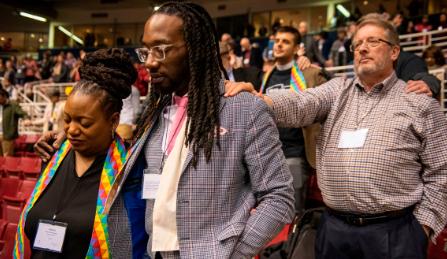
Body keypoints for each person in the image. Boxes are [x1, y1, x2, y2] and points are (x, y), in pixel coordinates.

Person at [35, 2, 295, 259]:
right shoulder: (155, 113)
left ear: (194, 50)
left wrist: (232, 252)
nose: (149, 63)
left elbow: (279, 197)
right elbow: (120, 157)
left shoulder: (243, 108)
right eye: (145, 51)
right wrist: (65, 139)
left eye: (160, 50)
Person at [226, 14, 447, 259]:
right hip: (334, 231)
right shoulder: (337, 90)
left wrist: (422, 229)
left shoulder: (419, 104)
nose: (363, 49)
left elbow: (441, 172)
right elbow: (303, 102)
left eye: (373, 41)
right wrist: (264, 101)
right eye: (357, 44)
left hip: (394, 233)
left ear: (394, 52)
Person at [14, 48, 136, 259]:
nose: (71, 129)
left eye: (84, 123)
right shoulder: (52, 155)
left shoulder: (127, 172)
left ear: (114, 121)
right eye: (68, 120)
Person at [256, 25, 327, 213]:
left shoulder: (309, 74)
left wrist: (310, 63)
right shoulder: (266, 75)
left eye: (285, 42)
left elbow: (331, 98)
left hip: (294, 153)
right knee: (268, 210)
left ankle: (293, 243)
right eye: (277, 41)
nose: (279, 45)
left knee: (293, 210)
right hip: (268, 153)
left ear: (297, 48)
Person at [0, 88, 26, 156]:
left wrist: (26, 119)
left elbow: (22, 113)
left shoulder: (13, 104)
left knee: (7, 158)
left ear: (4, 96)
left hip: (7, 136)